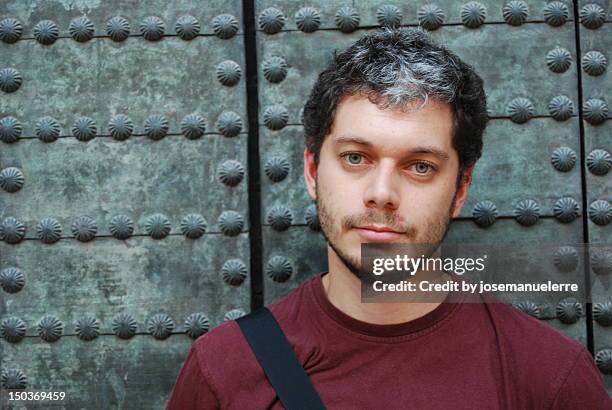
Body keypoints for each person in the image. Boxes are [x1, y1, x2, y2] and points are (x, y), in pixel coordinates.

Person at [166, 27, 611, 409]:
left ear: (460, 190)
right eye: (356, 157)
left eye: (420, 166)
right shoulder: (223, 369)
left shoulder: (549, 376)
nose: (382, 194)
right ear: (313, 171)